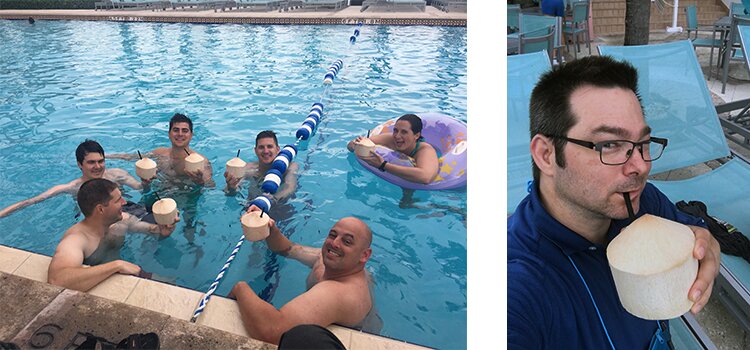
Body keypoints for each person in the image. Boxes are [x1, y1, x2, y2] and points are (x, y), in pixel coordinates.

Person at [507, 56, 721, 348]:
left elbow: (694, 233)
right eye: (609, 145)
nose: (641, 166)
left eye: (642, 144)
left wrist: (707, 242)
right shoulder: (519, 284)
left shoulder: (641, 202)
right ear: (546, 155)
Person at [229, 206, 376, 345]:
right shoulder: (329, 260)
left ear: (364, 255)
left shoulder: (338, 293)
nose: (335, 244)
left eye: (347, 241)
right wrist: (270, 227)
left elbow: (274, 332)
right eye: (333, 235)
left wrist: (240, 288)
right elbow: (288, 249)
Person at [47, 178, 178, 292]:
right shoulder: (77, 239)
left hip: (128, 273)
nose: (124, 203)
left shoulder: (122, 221)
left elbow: (152, 230)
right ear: (100, 209)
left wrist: (163, 228)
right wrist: (117, 266)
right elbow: (57, 280)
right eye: (118, 200)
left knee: (174, 286)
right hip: (101, 285)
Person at [0, 140, 148, 218]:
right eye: (91, 162)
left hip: (124, 208)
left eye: (100, 161)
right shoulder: (73, 187)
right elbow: (31, 201)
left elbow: (140, 188)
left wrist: (146, 181)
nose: (98, 166)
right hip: (93, 218)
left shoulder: (117, 175)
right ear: (79, 165)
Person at [109, 113, 214, 187]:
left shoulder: (201, 161)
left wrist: (199, 182)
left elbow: (210, 186)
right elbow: (131, 157)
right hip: (162, 190)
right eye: (176, 130)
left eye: (185, 131)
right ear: (169, 133)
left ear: (191, 135)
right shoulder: (159, 153)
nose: (180, 134)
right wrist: (105, 157)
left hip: (186, 195)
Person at [347, 114, 439, 185]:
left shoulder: (425, 150)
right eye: (395, 130)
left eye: (404, 132)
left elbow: (425, 177)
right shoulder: (390, 139)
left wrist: (383, 165)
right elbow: (350, 146)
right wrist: (356, 144)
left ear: (416, 135)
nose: (397, 136)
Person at [225, 130, 298, 201]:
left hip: (280, 205)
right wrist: (231, 187)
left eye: (269, 146)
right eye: (261, 147)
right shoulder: (248, 168)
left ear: (278, 149)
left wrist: (273, 199)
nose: (266, 151)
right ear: (255, 150)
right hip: (252, 205)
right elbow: (228, 192)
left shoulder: (290, 167)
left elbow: (290, 187)